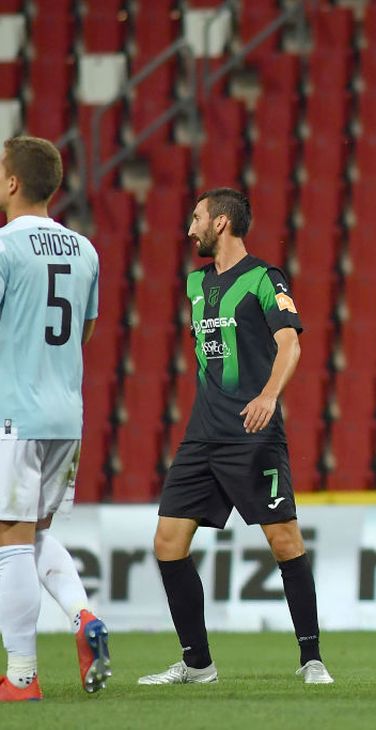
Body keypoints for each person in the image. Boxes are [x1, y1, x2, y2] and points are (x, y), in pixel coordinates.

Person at [138, 188, 332, 686]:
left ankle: (311, 659)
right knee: (167, 542)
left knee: (284, 541)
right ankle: (198, 664)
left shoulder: (266, 280)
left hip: (253, 431)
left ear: (221, 223)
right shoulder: (195, 284)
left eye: (197, 217)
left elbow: (290, 343)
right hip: (204, 434)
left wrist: (268, 396)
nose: (190, 229)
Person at [0, 135, 110, 701]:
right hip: (67, 413)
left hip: (14, 413)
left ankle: (21, 675)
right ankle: (83, 616)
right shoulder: (84, 250)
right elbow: (84, 332)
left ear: (13, 182)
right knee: (37, 533)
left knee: (10, 539)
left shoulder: (4, 248)